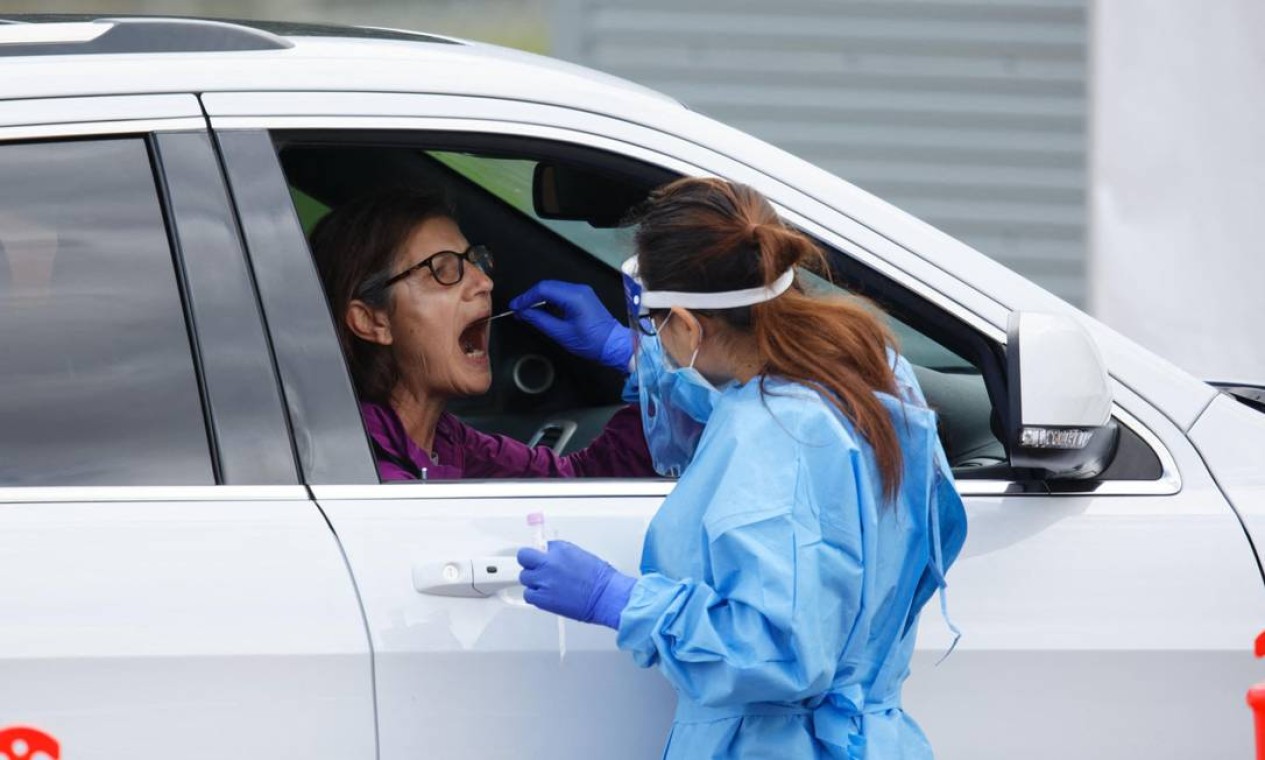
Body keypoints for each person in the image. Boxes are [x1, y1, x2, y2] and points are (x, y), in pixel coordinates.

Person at [516, 177, 967, 758]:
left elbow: (779, 651)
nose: (650, 335)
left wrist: (621, 600)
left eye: (652, 324)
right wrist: (627, 354)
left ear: (687, 323)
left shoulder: (774, 438)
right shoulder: (861, 370)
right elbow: (743, 403)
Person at [309, 187, 655, 481]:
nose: (485, 282)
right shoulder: (362, 470)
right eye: (444, 270)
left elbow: (579, 485)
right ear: (372, 322)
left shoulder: (449, 443)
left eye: (475, 261)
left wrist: (638, 358)